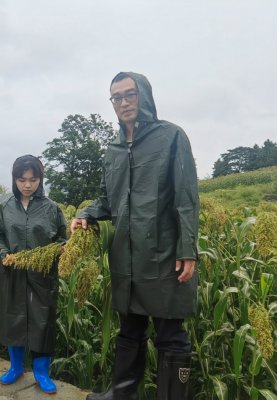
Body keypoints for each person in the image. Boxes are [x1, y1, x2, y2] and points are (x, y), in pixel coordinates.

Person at [71, 72, 199, 400]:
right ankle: (121, 395)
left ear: (144, 95)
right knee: (129, 328)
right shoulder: (113, 149)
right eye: (117, 97)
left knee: (170, 333)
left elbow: (186, 198)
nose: (124, 102)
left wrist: (188, 248)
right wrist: (86, 214)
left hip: (164, 254)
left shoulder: (171, 136)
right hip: (126, 256)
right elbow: (107, 200)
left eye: (130, 94)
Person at [0, 155, 67, 394]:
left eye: (33, 179)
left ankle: (42, 373)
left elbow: (62, 239)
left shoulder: (51, 209)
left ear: (40, 179)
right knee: (13, 320)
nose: (27, 185)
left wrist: (59, 250)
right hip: (12, 275)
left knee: (42, 323)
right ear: (14, 180)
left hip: (41, 277)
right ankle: (16, 368)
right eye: (22, 179)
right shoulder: (6, 207)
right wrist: (4, 255)